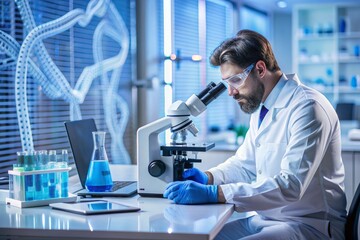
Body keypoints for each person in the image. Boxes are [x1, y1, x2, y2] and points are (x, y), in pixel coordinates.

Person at [163, 29, 347, 239]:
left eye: (235, 80)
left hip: (309, 225)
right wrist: (208, 178)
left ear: (260, 69)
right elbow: (244, 164)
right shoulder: (262, 108)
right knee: (199, 237)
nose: (231, 92)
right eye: (227, 83)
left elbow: (291, 185)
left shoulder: (307, 107)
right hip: (267, 220)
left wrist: (215, 193)